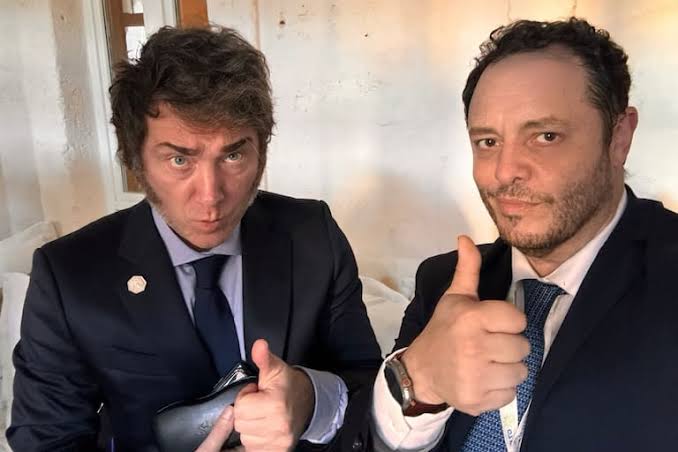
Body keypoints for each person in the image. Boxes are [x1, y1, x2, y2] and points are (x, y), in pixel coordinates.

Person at [7, 26, 381, 451]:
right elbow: (45, 440)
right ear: (135, 159)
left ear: (261, 151)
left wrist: (310, 401)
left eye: (233, 155)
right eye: (179, 159)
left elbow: (370, 389)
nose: (210, 196)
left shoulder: (313, 236)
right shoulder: (69, 274)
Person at [364, 17, 678, 451]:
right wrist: (419, 380)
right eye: (488, 142)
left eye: (545, 136)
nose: (505, 171)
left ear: (619, 137)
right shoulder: (444, 284)